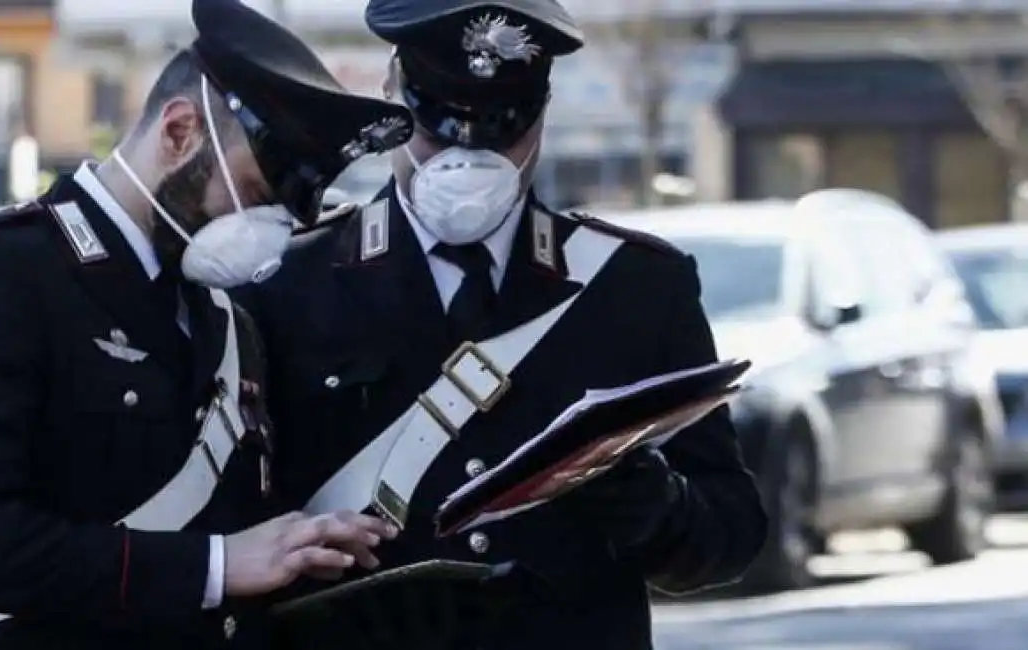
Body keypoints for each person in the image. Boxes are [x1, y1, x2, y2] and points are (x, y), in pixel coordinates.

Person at [232, 0, 767, 648]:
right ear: (391, 99)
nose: (466, 156)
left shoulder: (634, 286)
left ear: (539, 117)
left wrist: (659, 508)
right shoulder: (284, 283)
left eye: (496, 130)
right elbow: (233, 532)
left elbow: (733, 534)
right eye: (438, 126)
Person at [0, 0, 415, 648]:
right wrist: (218, 566)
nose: (264, 235)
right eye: (253, 196)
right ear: (178, 132)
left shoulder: (226, 321)